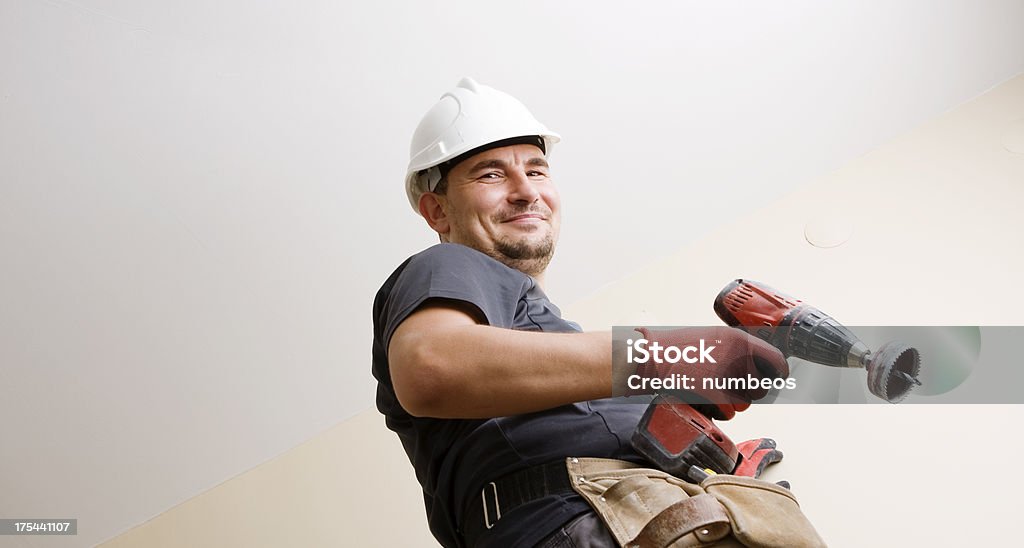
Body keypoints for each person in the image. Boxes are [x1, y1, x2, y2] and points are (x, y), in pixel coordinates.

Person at [371, 77, 794, 547]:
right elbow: (433, 367)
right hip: (574, 519)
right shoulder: (445, 265)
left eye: (536, 171)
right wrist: (660, 355)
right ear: (436, 211)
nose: (525, 191)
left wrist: (717, 472)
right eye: (490, 174)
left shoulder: (563, 352)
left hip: (668, 516)